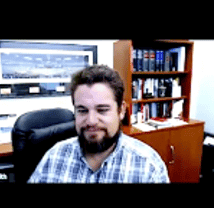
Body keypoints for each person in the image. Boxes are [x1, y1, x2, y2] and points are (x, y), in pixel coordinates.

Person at [28, 65, 169, 183]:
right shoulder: (54, 157)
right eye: (82, 110)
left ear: (121, 111)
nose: (91, 121)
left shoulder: (148, 167)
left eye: (102, 110)